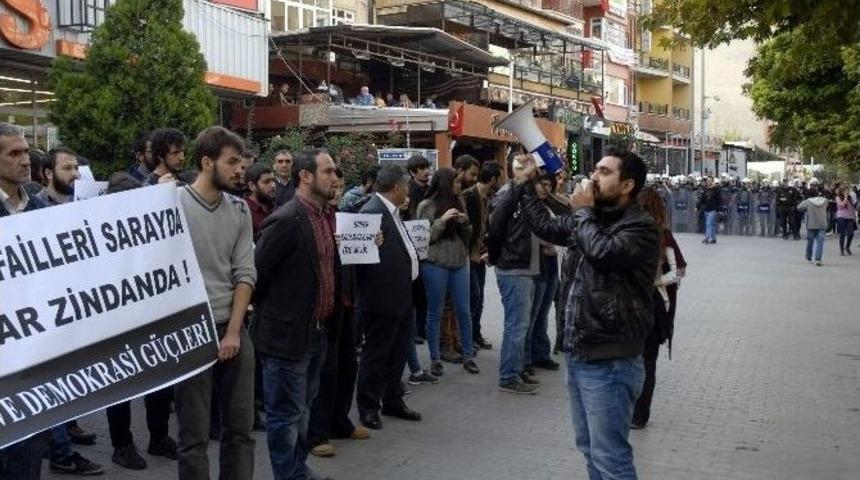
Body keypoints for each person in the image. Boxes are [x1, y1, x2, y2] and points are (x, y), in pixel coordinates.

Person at [524, 146, 659, 480]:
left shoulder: (640, 227)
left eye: (604, 171)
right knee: (589, 447)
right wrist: (524, 185)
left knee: (610, 456)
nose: (593, 177)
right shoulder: (591, 218)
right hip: (580, 353)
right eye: (595, 169)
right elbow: (546, 227)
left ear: (627, 185)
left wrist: (583, 212)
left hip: (610, 361)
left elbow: (603, 253)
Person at [175, 126, 257, 480]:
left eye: (242, 162)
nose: (241, 170)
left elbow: (245, 274)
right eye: (233, 162)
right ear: (207, 162)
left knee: (240, 430)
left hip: (233, 328)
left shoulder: (240, 211)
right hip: (189, 332)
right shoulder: (172, 203)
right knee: (193, 437)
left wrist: (234, 333)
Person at [253, 149, 339, 480]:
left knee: (302, 412)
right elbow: (257, 275)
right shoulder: (287, 220)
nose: (335, 177)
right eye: (328, 171)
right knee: (286, 416)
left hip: (316, 334)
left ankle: (298, 470)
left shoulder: (321, 216)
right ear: (306, 176)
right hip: (286, 339)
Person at [103, 173, 178, 471]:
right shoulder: (103, 233)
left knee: (159, 382)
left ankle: (158, 436)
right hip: (116, 324)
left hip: (150, 319)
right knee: (119, 387)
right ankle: (121, 445)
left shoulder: (148, 228)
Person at [308, 168, 371, 459]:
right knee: (326, 369)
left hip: (346, 301)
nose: (337, 189)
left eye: (341, 185)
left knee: (348, 364)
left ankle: (341, 421)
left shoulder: (344, 217)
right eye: (333, 183)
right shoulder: (315, 218)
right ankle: (317, 432)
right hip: (326, 305)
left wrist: (372, 241)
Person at [0, 123, 51, 480]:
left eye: (25, 151)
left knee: (31, 451)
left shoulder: (39, 209)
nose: (25, 160)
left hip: (35, 354)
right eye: (13, 153)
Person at [356, 165, 422, 430]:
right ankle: (368, 407)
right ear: (396, 186)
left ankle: (393, 400)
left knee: (397, 354)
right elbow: (360, 261)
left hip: (401, 296)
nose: (408, 190)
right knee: (376, 355)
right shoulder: (372, 212)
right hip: (382, 299)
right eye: (406, 184)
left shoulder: (392, 211)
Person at [487, 154, 543, 394]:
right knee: (517, 326)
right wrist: (496, 256)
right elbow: (496, 228)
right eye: (522, 166)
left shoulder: (523, 192)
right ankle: (509, 376)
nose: (529, 171)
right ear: (514, 170)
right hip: (513, 268)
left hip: (522, 267)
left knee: (521, 324)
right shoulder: (508, 193)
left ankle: (516, 370)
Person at [416, 167, 479, 376]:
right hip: (435, 263)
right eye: (456, 182)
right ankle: (435, 358)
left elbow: (468, 235)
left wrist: (465, 222)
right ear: (446, 183)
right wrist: (441, 221)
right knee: (435, 311)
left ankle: (468, 356)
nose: (459, 186)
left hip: (459, 261)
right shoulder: (426, 205)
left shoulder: (459, 201)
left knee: (464, 311)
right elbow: (424, 239)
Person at [631, 187, 685, 430]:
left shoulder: (663, 236)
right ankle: (633, 412)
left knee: (646, 361)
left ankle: (639, 414)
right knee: (636, 361)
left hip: (652, 304)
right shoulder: (629, 232)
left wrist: (655, 281)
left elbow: (678, 271)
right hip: (631, 305)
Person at [524, 173, 561, 374]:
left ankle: (541, 354)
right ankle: (527, 358)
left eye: (549, 184)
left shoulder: (552, 205)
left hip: (551, 264)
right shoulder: (528, 206)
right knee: (532, 314)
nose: (545, 188)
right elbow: (529, 233)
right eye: (542, 184)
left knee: (543, 313)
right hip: (535, 265)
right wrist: (546, 242)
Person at [462, 161, 501, 351]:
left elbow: (486, 226)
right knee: (473, 297)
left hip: (481, 254)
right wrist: (472, 252)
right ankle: (467, 337)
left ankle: (475, 335)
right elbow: (466, 227)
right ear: (493, 179)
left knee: (480, 297)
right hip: (469, 255)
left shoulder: (490, 197)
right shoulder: (469, 195)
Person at [244, 162, 277, 241]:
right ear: (252, 186)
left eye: (273, 180)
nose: (273, 185)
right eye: (266, 182)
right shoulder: (243, 211)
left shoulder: (274, 207)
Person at [797, 186, 829, 266]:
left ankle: (809, 256)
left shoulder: (808, 201)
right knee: (820, 242)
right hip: (822, 223)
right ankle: (818, 259)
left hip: (811, 224)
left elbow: (799, 207)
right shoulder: (825, 201)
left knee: (810, 241)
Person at [698, 176, 721, 244]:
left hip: (713, 209)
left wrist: (718, 209)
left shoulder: (716, 189)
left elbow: (719, 200)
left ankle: (707, 238)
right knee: (712, 225)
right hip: (707, 209)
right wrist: (697, 207)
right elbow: (702, 199)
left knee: (709, 224)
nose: (708, 182)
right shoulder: (705, 189)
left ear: (712, 181)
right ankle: (713, 239)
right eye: (708, 181)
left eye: (710, 180)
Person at [835, 186, 856, 255]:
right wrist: (846, 198)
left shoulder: (850, 197)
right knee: (842, 234)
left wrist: (854, 218)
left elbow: (853, 208)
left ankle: (847, 247)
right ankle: (841, 249)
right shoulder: (838, 197)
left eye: (848, 191)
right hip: (841, 216)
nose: (847, 192)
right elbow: (841, 205)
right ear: (842, 191)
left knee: (851, 233)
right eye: (846, 191)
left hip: (850, 217)